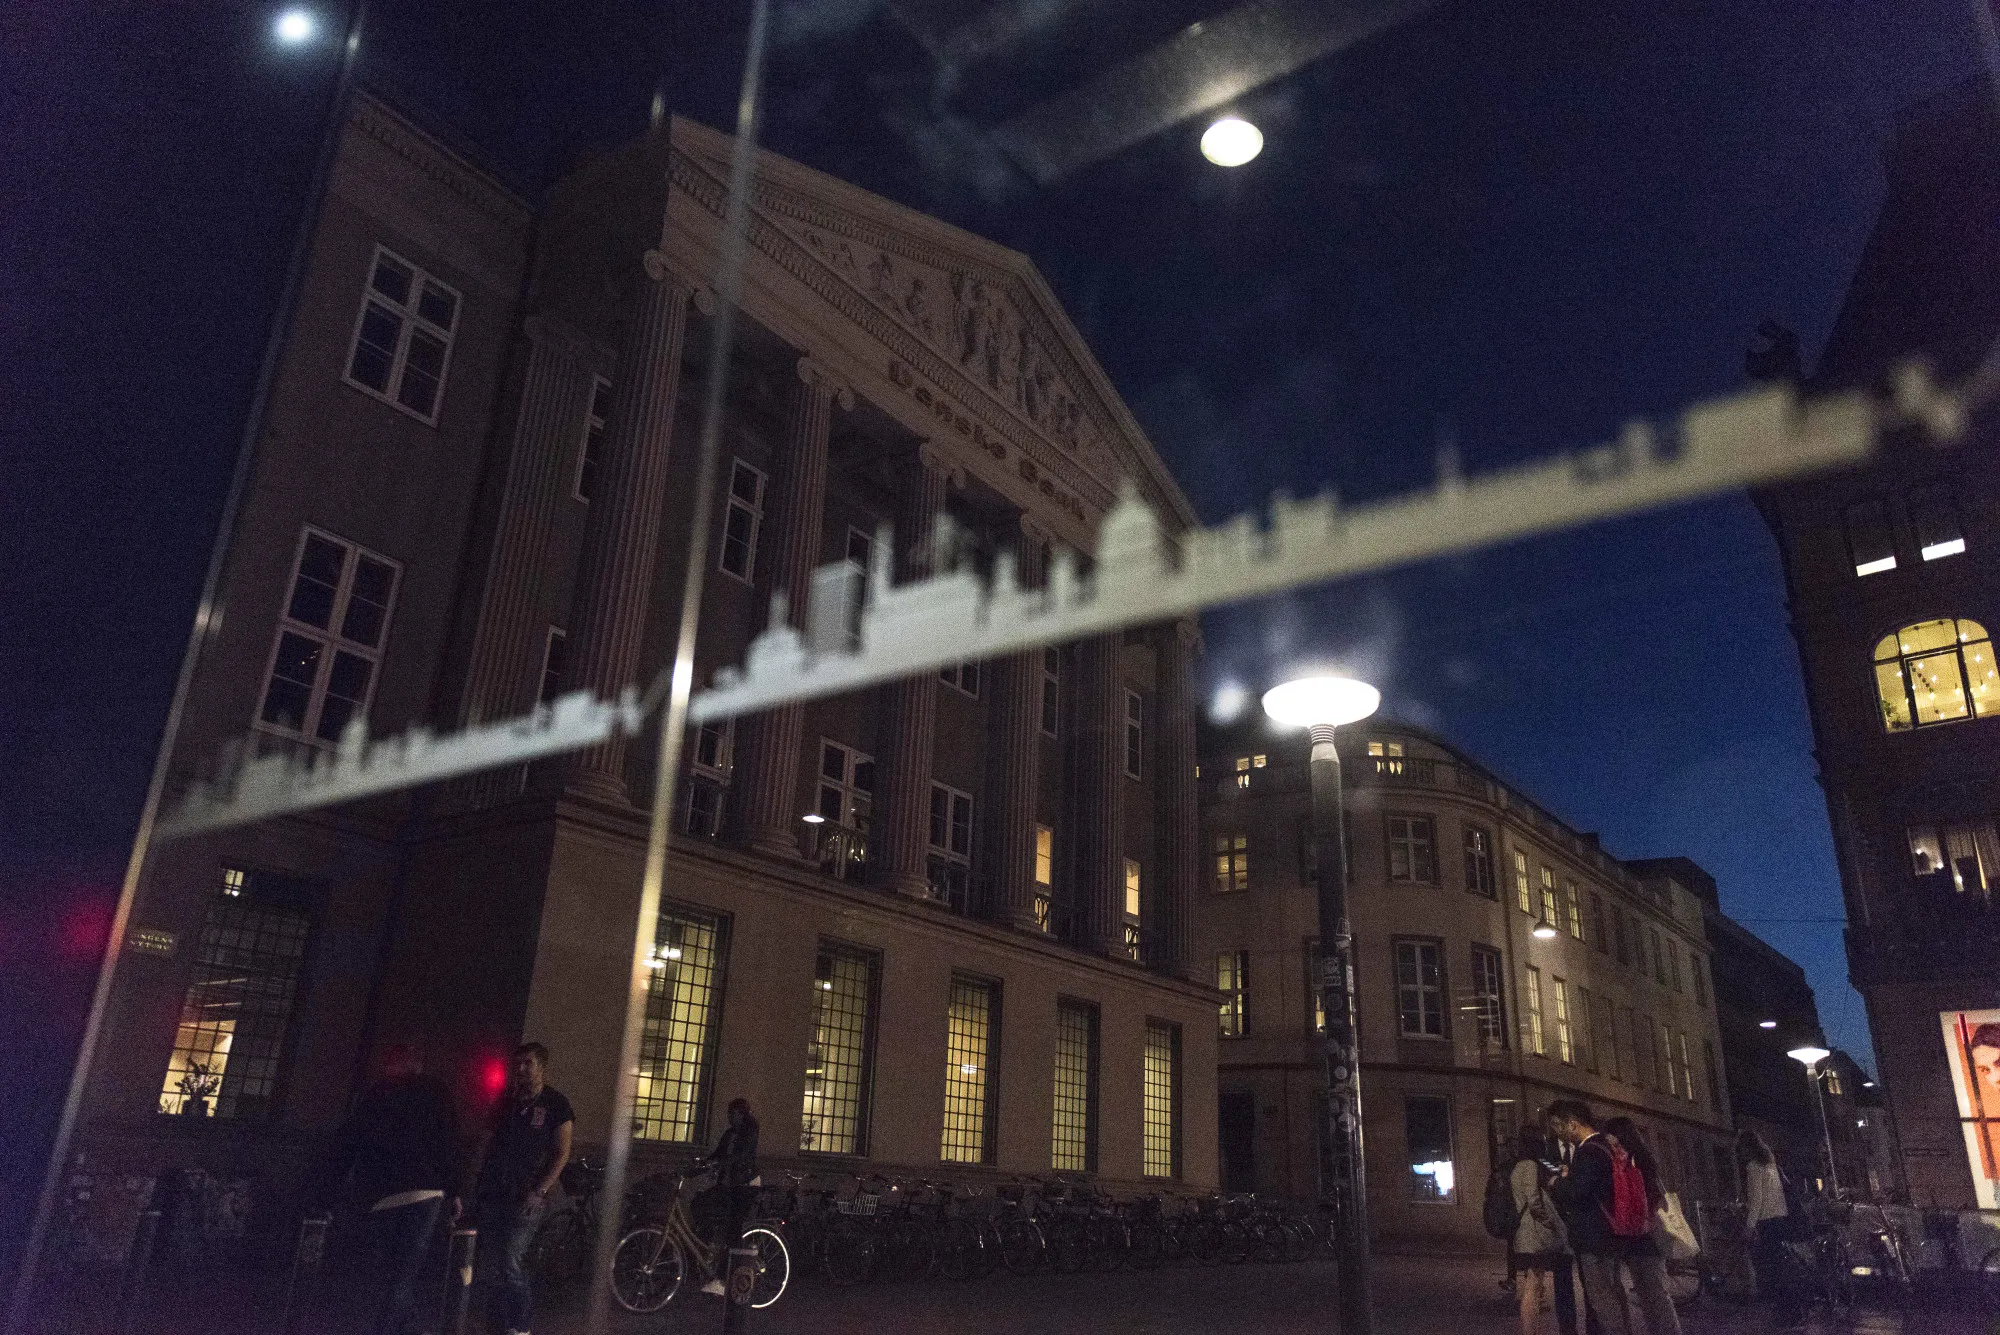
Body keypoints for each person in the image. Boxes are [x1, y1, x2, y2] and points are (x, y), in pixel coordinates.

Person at [321, 1043, 461, 1335]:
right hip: (425, 1190)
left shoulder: (378, 1094)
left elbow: (349, 1141)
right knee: (407, 1268)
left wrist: (330, 1191)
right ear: (420, 1063)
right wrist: (455, 1190)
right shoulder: (437, 1094)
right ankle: (393, 1325)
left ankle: (396, 1322)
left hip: (382, 1190)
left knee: (385, 1266)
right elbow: (448, 1143)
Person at [1545, 1100, 1682, 1335]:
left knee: (1606, 1300)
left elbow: (1578, 1192)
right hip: (1616, 1231)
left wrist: (1557, 1182)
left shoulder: (1589, 1151)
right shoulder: (1610, 1147)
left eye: (1559, 1126)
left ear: (1573, 1124)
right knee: (1621, 1295)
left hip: (1595, 1237)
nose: (1558, 1133)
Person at [466, 1043, 573, 1335]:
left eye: (528, 1064)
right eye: (518, 1065)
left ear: (542, 1067)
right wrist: (475, 1179)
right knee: (494, 1258)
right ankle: (497, 1320)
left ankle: (521, 1322)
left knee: (512, 1256)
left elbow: (562, 1151)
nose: (521, 1070)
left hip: (529, 1193)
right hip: (497, 1190)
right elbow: (486, 1142)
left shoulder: (556, 1104)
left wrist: (540, 1189)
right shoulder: (506, 1103)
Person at [690, 1098, 760, 1296]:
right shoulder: (730, 1134)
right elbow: (718, 1154)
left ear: (741, 1114)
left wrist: (725, 1164)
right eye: (730, 1113)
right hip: (729, 1184)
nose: (730, 1117)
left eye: (733, 1113)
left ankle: (727, 1279)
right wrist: (700, 1167)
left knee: (733, 1228)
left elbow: (742, 1157)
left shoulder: (749, 1133)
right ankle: (713, 1252)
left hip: (745, 1185)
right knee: (702, 1205)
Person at [1510, 1131, 1577, 1335]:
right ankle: (1531, 1331)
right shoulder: (1529, 1166)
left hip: (1527, 1231)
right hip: (1534, 1233)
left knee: (1533, 1283)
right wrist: (1549, 1221)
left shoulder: (1518, 1167)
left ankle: (1532, 1331)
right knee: (1533, 1286)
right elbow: (1533, 1200)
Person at [1739, 1129, 1800, 1327]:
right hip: (1781, 1218)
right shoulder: (1770, 1163)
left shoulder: (1753, 1167)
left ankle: (1783, 1312)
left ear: (1747, 1148)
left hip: (1768, 1221)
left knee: (1772, 1268)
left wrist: (1749, 1226)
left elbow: (1756, 1200)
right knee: (1783, 1266)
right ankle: (1794, 1309)